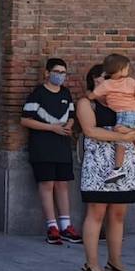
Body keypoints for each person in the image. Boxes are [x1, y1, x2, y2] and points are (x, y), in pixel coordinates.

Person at [77, 63, 135, 271]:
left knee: (118, 214)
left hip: (123, 164)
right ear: (93, 81)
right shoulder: (86, 103)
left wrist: (134, 132)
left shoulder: (123, 100)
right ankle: (91, 264)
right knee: (96, 213)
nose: (107, 83)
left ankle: (115, 262)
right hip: (98, 165)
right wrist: (124, 137)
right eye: (101, 79)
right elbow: (90, 130)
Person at [21, 58, 82, 245]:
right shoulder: (38, 94)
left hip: (62, 146)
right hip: (42, 146)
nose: (60, 76)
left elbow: (71, 115)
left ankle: (66, 226)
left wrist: (69, 125)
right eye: (57, 72)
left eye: (63, 72)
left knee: (62, 184)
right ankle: (52, 226)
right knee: (47, 184)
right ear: (47, 73)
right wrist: (52, 128)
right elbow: (25, 120)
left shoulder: (66, 93)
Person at [93, 53, 135, 182]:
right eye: (126, 68)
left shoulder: (106, 84)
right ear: (120, 70)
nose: (128, 70)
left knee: (121, 140)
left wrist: (100, 83)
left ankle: (117, 169)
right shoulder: (130, 81)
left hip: (125, 115)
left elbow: (92, 96)